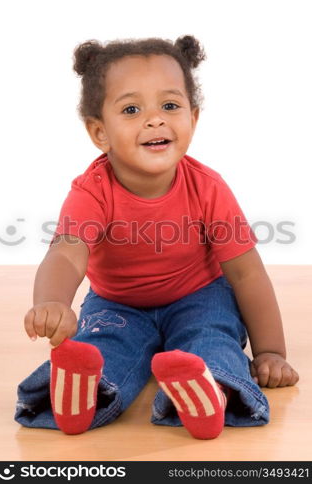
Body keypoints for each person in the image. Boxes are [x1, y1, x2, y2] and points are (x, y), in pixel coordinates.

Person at [15, 35, 299, 439]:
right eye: (132, 109)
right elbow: (67, 253)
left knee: (209, 336)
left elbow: (246, 274)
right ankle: (83, 391)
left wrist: (271, 351)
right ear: (99, 132)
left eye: (170, 106)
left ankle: (209, 389)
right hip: (118, 302)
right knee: (103, 341)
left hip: (199, 296)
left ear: (193, 118)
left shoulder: (208, 188)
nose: (155, 120)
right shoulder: (91, 191)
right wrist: (51, 301)